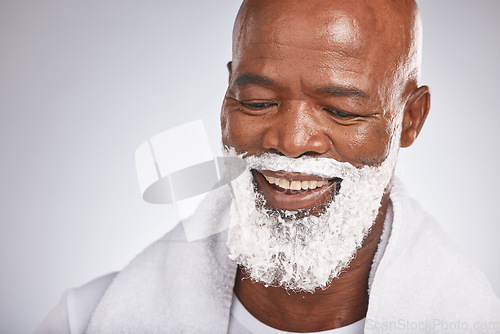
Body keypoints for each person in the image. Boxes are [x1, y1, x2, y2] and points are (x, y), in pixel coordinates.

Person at [36, 0, 500, 333]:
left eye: (340, 110)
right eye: (258, 102)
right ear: (226, 100)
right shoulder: (87, 320)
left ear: (410, 120)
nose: (291, 142)